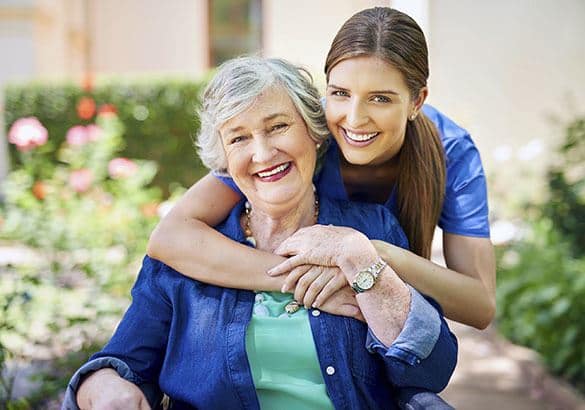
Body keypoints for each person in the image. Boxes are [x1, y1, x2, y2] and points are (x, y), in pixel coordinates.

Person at [63, 57, 456, 410]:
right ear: (223, 158)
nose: (263, 154)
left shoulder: (371, 229)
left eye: (278, 127)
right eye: (239, 138)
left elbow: (429, 369)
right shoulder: (184, 260)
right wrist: (100, 383)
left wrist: (359, 258)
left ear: (313, 132)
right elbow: (122, 361)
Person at [147, 7, 496, 330]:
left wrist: (371, 255)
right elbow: (171, 237)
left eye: (380, 98)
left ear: (416, 101)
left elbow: (479, 305)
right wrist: (296, 278)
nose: (355, 118)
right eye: (340, 93)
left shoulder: (452, 151)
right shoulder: (302, 133)